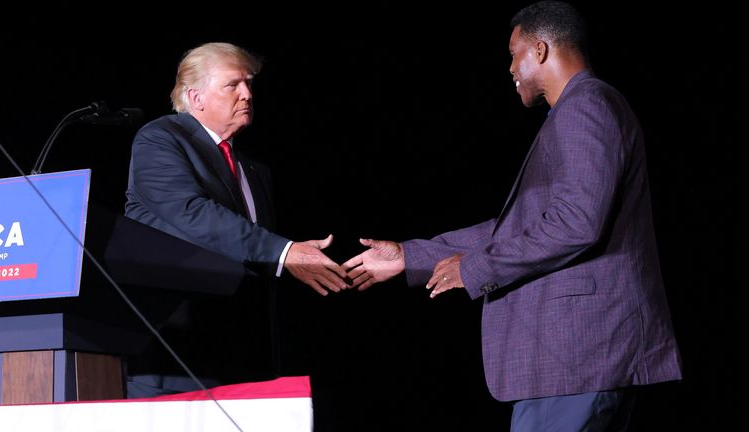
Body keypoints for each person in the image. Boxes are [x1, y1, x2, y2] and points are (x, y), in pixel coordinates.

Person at [343, 1, 682, 430]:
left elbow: (576, 223)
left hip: (578, 358)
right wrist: (409, 256)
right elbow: (519, 228)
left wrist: (477, 267)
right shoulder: (580, 110)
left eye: (513, 53)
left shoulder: (585, 107)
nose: (510, 68)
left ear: (539, 50)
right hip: (578, 363)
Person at [124, 42, 349, 397]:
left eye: (248, 84)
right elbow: (191, 215)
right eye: (232, 85)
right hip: (178, 357)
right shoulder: (160, 138)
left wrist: (291, 259)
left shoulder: (254, 168)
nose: (246, 94)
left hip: (246, 358)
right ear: (196, 97)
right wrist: (285, 252)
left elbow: (253, 252)